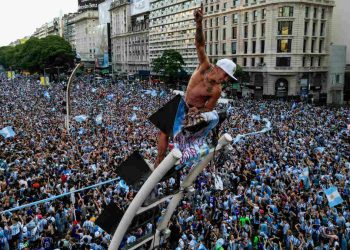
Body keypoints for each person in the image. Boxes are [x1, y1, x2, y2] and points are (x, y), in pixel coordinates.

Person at [155, 3, 237, 166]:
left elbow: (209, 108)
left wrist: (198, 111)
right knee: (163, 132)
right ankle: (159, 161)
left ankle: (180, 159)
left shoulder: (216, 90)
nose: (226, 80)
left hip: (195, 113)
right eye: (226, 76)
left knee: (183, 137)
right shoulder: (204, 67)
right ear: (219, 69)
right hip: (182, 103)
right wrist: (199, 24)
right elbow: (200, 45)